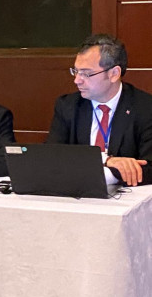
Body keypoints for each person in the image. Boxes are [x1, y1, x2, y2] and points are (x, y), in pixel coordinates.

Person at [47, 33, 152, 186]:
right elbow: (52, 155)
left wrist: (108, 176)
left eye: (86, 74)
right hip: (78, 192)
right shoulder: (68, 105)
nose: (77, 80)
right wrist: (106, 160)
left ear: (114, 74)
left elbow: (149, 166)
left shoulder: (146, 108)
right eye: (76, 71)